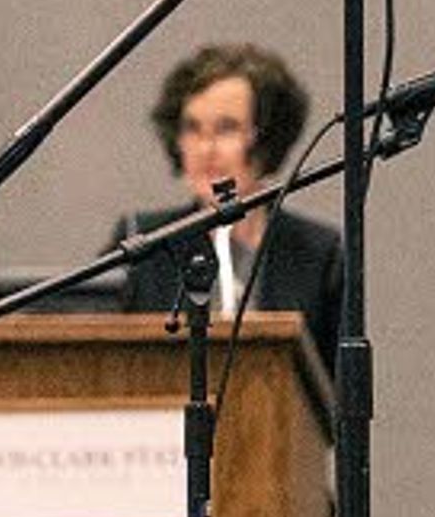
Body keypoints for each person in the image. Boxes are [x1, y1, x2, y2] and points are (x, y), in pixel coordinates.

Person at [111, 42, 344, 332]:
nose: (206, 148)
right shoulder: (142, 242)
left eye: (226, 128)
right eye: (193, 128)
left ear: (267, 137)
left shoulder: (318, 254)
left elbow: (331, 374)